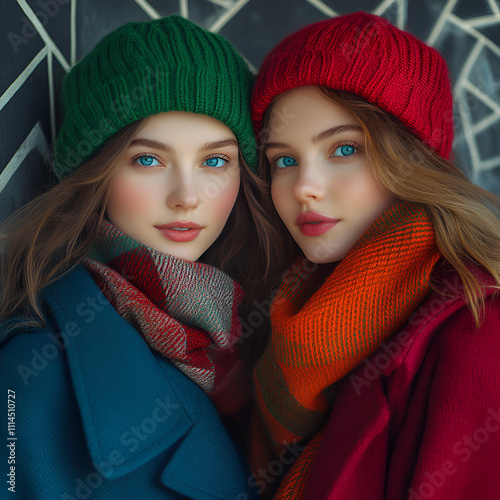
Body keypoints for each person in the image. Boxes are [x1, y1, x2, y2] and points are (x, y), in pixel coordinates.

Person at [0, 15, 270, 499]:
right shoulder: (30, 370)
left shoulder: (240, 335)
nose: (188, 196)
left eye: (215, 160)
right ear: (95, 173)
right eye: (148, 159)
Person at [248, 12, 500, 499]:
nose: (304, 187)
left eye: (344, 149)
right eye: (284, 159)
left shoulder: (478, 324)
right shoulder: (283, 311)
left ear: (410, 158)